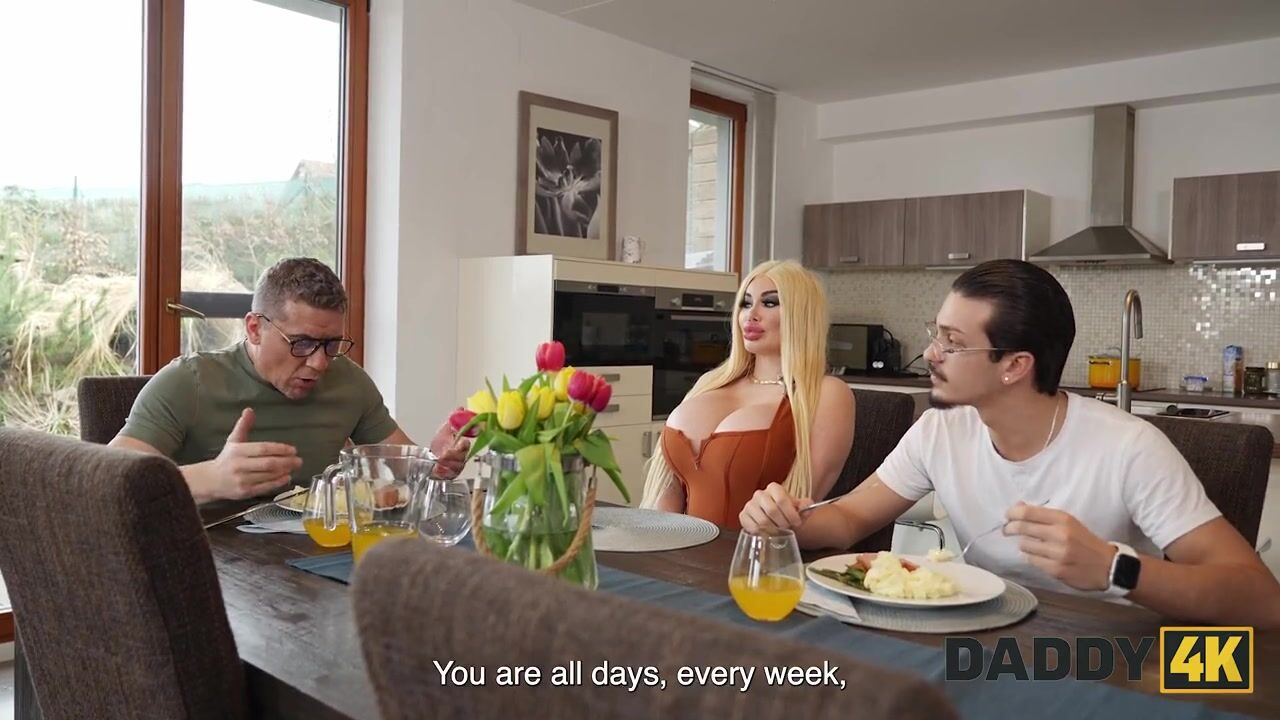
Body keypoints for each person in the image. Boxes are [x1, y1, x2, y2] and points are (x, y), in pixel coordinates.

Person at [740, 259, 1280, 626]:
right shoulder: (941, 429)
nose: (930, 354)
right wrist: (785, 520)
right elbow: (849, 519)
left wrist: (1115, 569)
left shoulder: (1130, 448)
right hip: (984, 638)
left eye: (952, 343)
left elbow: (1261, 599)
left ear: (1015, 365)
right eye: (935, 333)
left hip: (1110, 657)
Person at [109, 257, 466, 504]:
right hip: (206, 561)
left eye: (331, 345)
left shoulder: (350, 382)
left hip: (313, 555)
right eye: (302, 343)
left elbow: (405, 469)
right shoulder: (188, 383)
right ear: (254, 328)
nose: (319, 363)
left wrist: (435, 461)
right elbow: (107, 482)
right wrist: (211, 479)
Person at [639, 260, 854, 528]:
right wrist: (661, 542)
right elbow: (667, 487)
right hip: (674, 544)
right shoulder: (709, 382)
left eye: (770, 302)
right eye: (745, 303)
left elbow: (797, 507)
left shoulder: (825, 394)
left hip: (754, 549)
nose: (751, 314)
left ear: (802, 315)